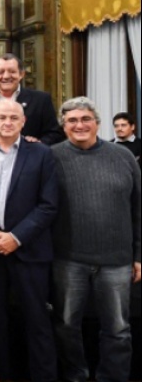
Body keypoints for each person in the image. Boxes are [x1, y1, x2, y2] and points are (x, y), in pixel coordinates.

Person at [0, 100, 59, 382]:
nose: (7, 122)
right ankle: (1, 374)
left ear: (23, 121)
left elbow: (49, 205)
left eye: (13, 117)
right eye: (2, 117)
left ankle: (43, 376)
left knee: (37, 319)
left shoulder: (42, 153)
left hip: (30, 249)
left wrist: (16, 237)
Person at [50, 97, 140, 382]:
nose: (80, 125)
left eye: (85, 119)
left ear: (97, 123)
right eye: (72, 120)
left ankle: (112, 377)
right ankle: (76, 375)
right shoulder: (50, 158)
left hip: (117, 261)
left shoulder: (123, 157)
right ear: (64, 126)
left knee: (118, 329)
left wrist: (139, 254)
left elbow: (138, 208)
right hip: (68, 260)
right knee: (66, 326)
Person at [0, 54, 63, 144]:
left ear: (21, 74)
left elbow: (54, 133)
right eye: (1, 72)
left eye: (12, 72)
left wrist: (38, 145)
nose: (6, 76)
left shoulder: (41, 100)